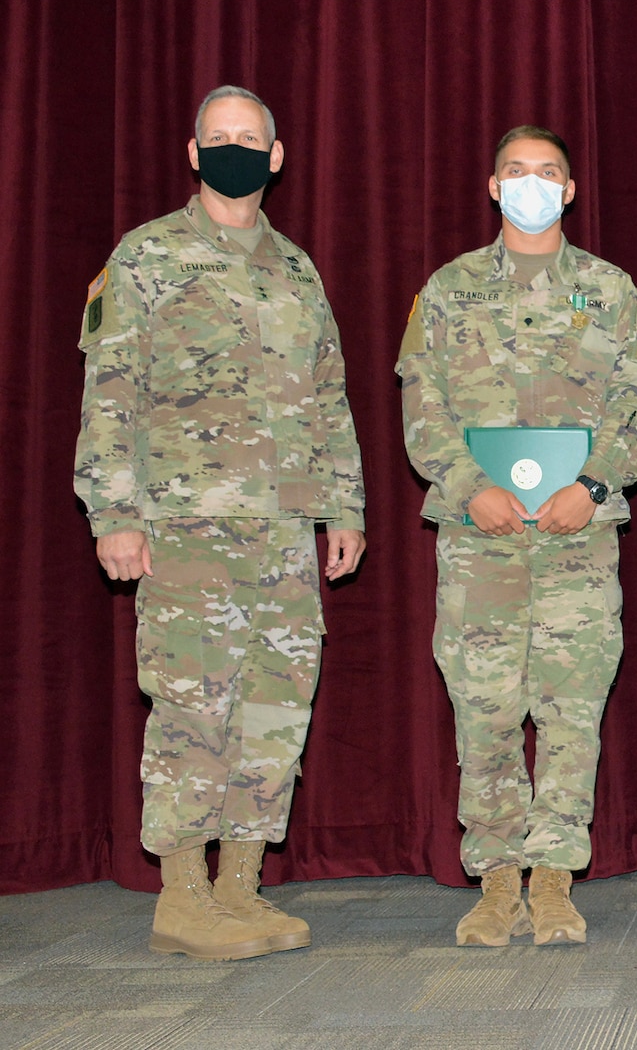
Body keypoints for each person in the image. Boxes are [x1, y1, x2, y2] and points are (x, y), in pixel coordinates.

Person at [75, 85, 366, 961]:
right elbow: (110, 391)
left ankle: (239, 886)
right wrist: (113, 511)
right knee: (193, 707)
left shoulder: (296, 268)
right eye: (219, 138)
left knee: (275, 707)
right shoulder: (147, 256)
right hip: (187, 527)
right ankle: (182, 895)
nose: (235, 150)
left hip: (281, 530)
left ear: (276, 158)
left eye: (252, 138)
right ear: (194, 154)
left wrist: (341, 504)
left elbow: (328, 396)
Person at [398, 125, 637, 947]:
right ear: (492, 185)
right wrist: (468, 488)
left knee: (572, 711)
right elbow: (421, 406)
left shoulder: (611, 290)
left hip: (578, 538)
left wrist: (591, 485)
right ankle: (497, 879)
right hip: (481, 541)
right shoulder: (448, 289)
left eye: (548, 172)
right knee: (485, 711)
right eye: (518, 171)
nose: (533, 183)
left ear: (571, 191)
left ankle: (553, 881)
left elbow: (635, 406)